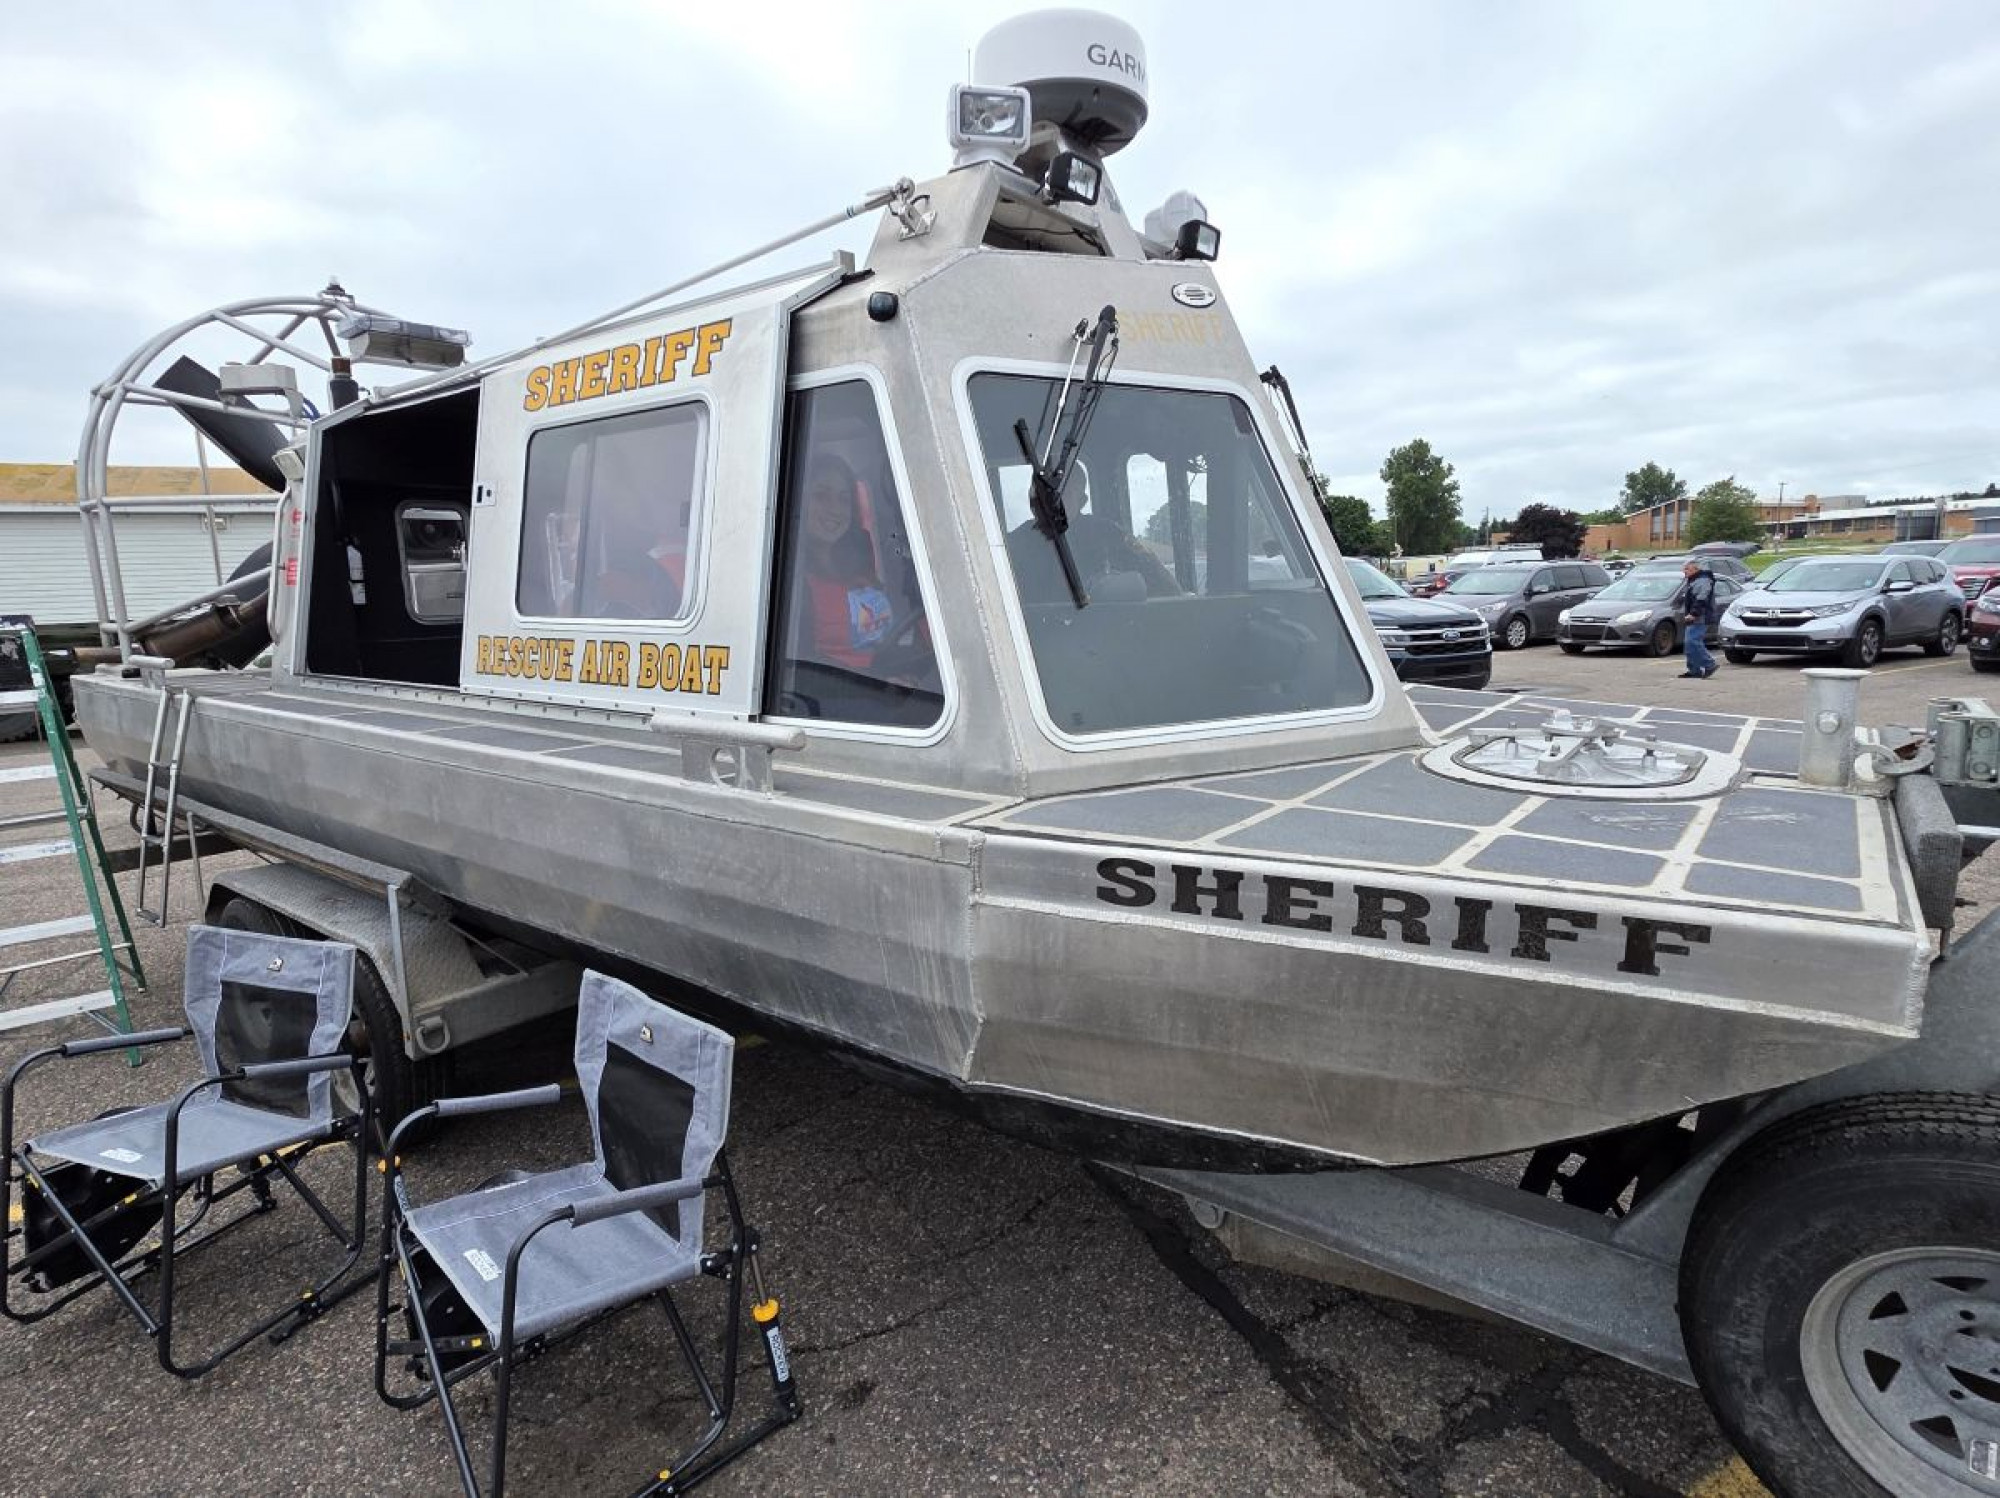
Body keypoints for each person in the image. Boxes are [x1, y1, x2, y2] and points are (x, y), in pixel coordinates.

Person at [794, 452, 896, 671]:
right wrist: (877, 680)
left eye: (844, 499)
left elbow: (885, 642)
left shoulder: (860, 567)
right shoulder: (791, 580)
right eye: (821, 496)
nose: (835, 509)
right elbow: (801, 665)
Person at [1677, 557, 1720, 679]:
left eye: (1687, 569)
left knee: (1693, 642)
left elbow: (1702, 599)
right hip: (1694, 616)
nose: (1684, 571)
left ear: (1695, 569)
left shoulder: (1703, 581)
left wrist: (1694, 614)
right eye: (1684, 569)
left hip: (1701, 617)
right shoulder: (1693, 580)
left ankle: (1709, 664)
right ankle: (1694, 670)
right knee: (1689, 644)